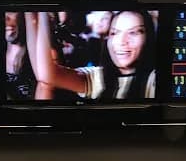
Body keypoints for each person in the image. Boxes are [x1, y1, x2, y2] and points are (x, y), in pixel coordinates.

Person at [26, 10, 156, 100]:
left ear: (148, 37)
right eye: (115, 33)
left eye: (133, 32)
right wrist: (33, 14)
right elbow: (46, 75)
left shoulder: (153, 80)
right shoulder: (98, 77)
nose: (121, 42)